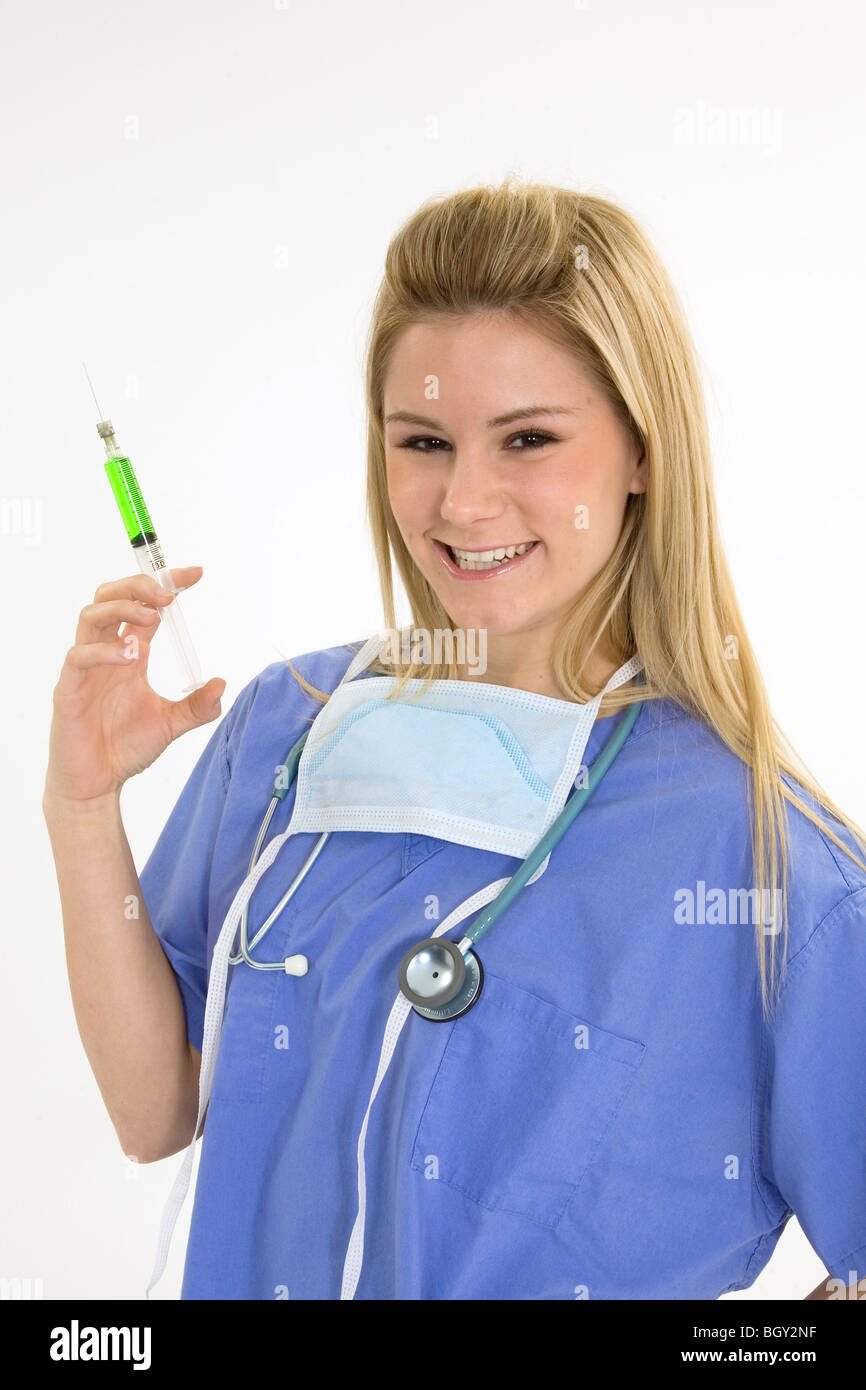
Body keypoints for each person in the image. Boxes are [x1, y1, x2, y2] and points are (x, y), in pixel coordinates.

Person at [43, 179, 866, 1301]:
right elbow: (156, 1113)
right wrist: (81, 808)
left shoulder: (766, 863)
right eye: (423, 440)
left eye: (526, 437)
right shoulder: (291, 728)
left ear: (641, 450)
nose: (463, 503)